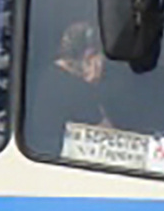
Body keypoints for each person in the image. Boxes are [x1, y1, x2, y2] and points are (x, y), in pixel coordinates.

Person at [25, 19, 112, 156]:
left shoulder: (43, 75)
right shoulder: (79, 91)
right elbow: (108, 137)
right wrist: (92, 87)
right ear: (89, 56)